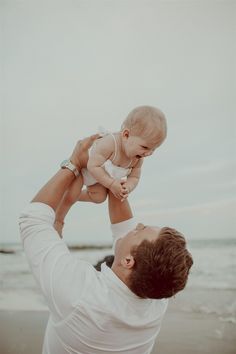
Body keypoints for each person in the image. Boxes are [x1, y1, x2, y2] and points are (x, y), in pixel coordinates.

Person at [19, 135, 193, 354]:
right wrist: (115, 168)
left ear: (128, 261)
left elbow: (32, 220)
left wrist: (73, 163)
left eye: (141, 230)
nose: (136, 225)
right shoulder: (156, 300)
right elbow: (124, 230)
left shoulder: (80, 294)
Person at [54, 105, 167, 236]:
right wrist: (112, 184)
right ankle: (58, 220)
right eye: (145, 147)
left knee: (99, 197)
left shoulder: (138, 158)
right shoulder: (110, 143)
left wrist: (128, 187)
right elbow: (93, 166)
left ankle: (72, 195)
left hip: (101, 178)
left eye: (154, 149)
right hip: (85, 168)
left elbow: (134, 177)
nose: (149, 153)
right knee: (71, 195)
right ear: (126, 135)